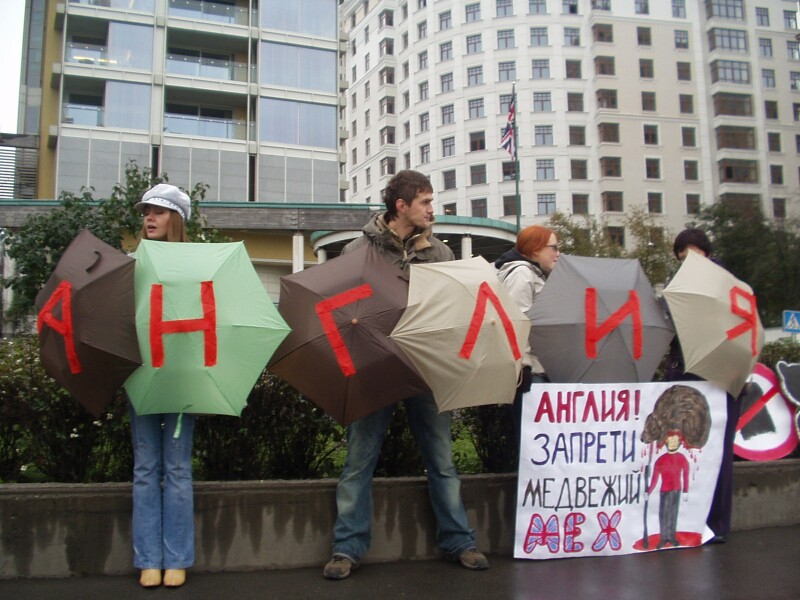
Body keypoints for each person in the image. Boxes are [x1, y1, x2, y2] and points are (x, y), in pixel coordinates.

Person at [322, 170, 489, 580]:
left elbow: (454, 307)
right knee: (358, 461)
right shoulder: (359, 249)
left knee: (442, 460)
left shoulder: (439, 252)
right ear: (401, 206)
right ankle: (346, 548)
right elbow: (341, 307)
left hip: (424, 366)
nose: (433, 210)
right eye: (425, 202)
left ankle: (460, 541)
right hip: (375, 367)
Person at [130, 183, 195, 588]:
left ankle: (177, 558)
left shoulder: (195, 264)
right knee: (145, 467)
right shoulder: (131, 263)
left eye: (159, 211)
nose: (150, 218)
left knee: (176, 466)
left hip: (183, 376)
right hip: (140, 373)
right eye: (146, 211)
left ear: (177, 219)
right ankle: (148, 559)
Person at [665, 228, 736, 544]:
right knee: (687, 450)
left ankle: (715, 524)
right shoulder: (680, 285)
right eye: (682, 258)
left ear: (707, 253)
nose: (688, 262)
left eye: (694, 255)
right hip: (690, 376)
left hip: (718, 378)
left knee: (716, 450)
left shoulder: (724, 284)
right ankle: (694, 523)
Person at [494, 225, 560, 428]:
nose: (558, 253)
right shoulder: (522, 274)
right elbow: (516, 322)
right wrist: (523, 367)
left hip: (539, 370)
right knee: (533, 437)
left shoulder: (534, 274)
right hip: (531, 373)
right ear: (535, 249)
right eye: (554, 247)